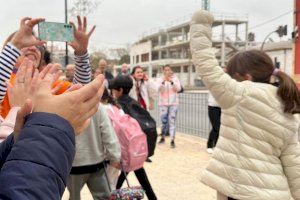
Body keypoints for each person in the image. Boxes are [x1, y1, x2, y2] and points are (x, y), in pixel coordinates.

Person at [190, 10, 300, 200]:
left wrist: (200, 24)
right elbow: (293, 163)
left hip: (241, 190)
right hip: (275, 192)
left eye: (232, 77)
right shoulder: (286, 103)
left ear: (246, 77)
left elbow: (205, 62)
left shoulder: (240, 93)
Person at [0, 56, 105, 199]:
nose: (30, 53)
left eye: (36, 51)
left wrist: (81, 56)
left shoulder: (48, 85)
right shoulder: (9, 82)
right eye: (22, 51)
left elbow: (79, 94)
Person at [0, 16, 95, 117]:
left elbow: (80, 94)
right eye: (25, 45)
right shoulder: (6, 81)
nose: (33, 48)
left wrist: (81, 54)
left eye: (37, 45)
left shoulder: (48, 82)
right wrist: (15, 44)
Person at [109, 75, 157, 200]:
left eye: (113, 90)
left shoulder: (119, 105)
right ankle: (152, 197)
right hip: (137, 147)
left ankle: (113, 196)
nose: (112, 92)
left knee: (126, 172)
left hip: (127, 148)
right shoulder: (134, 102)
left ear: (119, 90)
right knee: (137, 172)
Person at [67, 101, 121, 200]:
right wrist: (115, 156)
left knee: (74, 197)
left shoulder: (67, 105)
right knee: (103, 197)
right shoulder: (97, 106)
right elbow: (108, 133)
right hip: (96, 162)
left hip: (74, 164)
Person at [157, 65, 181, 148]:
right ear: (163, 71)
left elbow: (178, 89)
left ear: (171, 70)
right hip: (163, 104)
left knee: (172, 122)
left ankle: (172, 140)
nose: (167, 71)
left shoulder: (175, 79)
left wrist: (171, 82)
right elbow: (158, 89)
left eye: (169, 70)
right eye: (165, 70)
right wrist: (163, 82)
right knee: (164, 122)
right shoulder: (160, 79)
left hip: (174, 104)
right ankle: (162, 137)